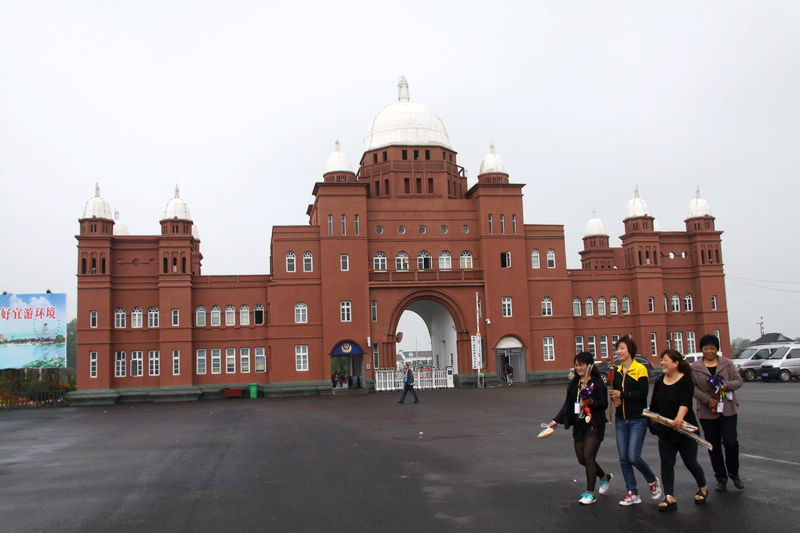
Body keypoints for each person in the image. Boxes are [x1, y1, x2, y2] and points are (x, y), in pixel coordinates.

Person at [547, 351, 611, 505]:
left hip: (594, 424)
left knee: (589, 456)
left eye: (581, 364)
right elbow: (568, 405)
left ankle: (590, 493)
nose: (578, 368)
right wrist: (556, 421)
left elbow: (604, 404)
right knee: (582, 459)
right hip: (579, 425)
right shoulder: (574, 384)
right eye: (576, 365)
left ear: (589, 365)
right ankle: (603, 477)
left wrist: (590, 402)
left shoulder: (597, 383)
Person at [649, 349, 708, 512]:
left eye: (665, 360)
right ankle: (669, 497)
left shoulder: (686, 381)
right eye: (661, 360)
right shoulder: (660, 380)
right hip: (666, 431)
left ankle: (702, 486)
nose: (662, 363)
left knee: (690, 462)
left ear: (675, 363)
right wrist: (652, 418)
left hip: (684, 430)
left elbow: (685, 402)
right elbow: (654, 404)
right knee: (667, 463)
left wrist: (679, 418)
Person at [609, 336, 662, 506]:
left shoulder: (640, 369)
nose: (619, 351)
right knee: (623, 458)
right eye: (617, 348)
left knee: (633, 456)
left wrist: (622, 395)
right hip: (620, 420)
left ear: (630, 350)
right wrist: (615, 400)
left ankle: (652, 479)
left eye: (622, 348)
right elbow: (616, 393)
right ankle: (632, 492)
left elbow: (642, 394)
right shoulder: (617, 371)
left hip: (637, 419)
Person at [691, 334, 744, 492]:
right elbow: (692, 388)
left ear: (717, 349)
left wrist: (727, 385)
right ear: (701, 350)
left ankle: (734, 473)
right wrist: (707, 399)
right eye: (706, 348)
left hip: (727, 408)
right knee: (713, 446)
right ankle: (721, 477)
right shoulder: (695, 367)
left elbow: (739, 380)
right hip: (708, 411)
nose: (709, 351)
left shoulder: (727, 364)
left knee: (730, 442)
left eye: (712, 348)